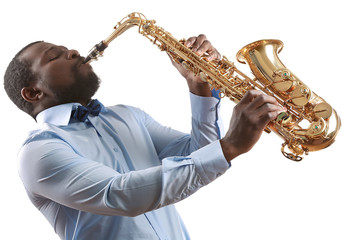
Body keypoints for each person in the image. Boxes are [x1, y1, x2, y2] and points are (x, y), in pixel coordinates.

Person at [4, 34, 285, 240]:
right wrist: (229, 146)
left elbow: (200, 153)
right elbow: (119, 195)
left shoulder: (127, 115)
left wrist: (199, 88)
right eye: (54, 56)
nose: (74, 51)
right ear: (33, 93)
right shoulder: (38, 154)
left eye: (66, 48)